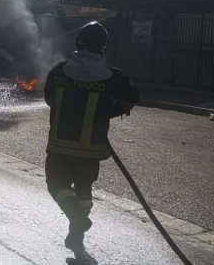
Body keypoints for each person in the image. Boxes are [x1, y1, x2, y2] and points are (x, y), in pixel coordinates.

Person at [44, 21, 139, 255]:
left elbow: (49, 99)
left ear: (78, 41)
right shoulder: (112, 76)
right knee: (84, 188)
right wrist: (108, 111)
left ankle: (76, 217)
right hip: (91, 149)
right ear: (104, 45)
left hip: (60, 146)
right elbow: (132, 96)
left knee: (56, 184)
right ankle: (76, 235)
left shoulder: (59, 71)